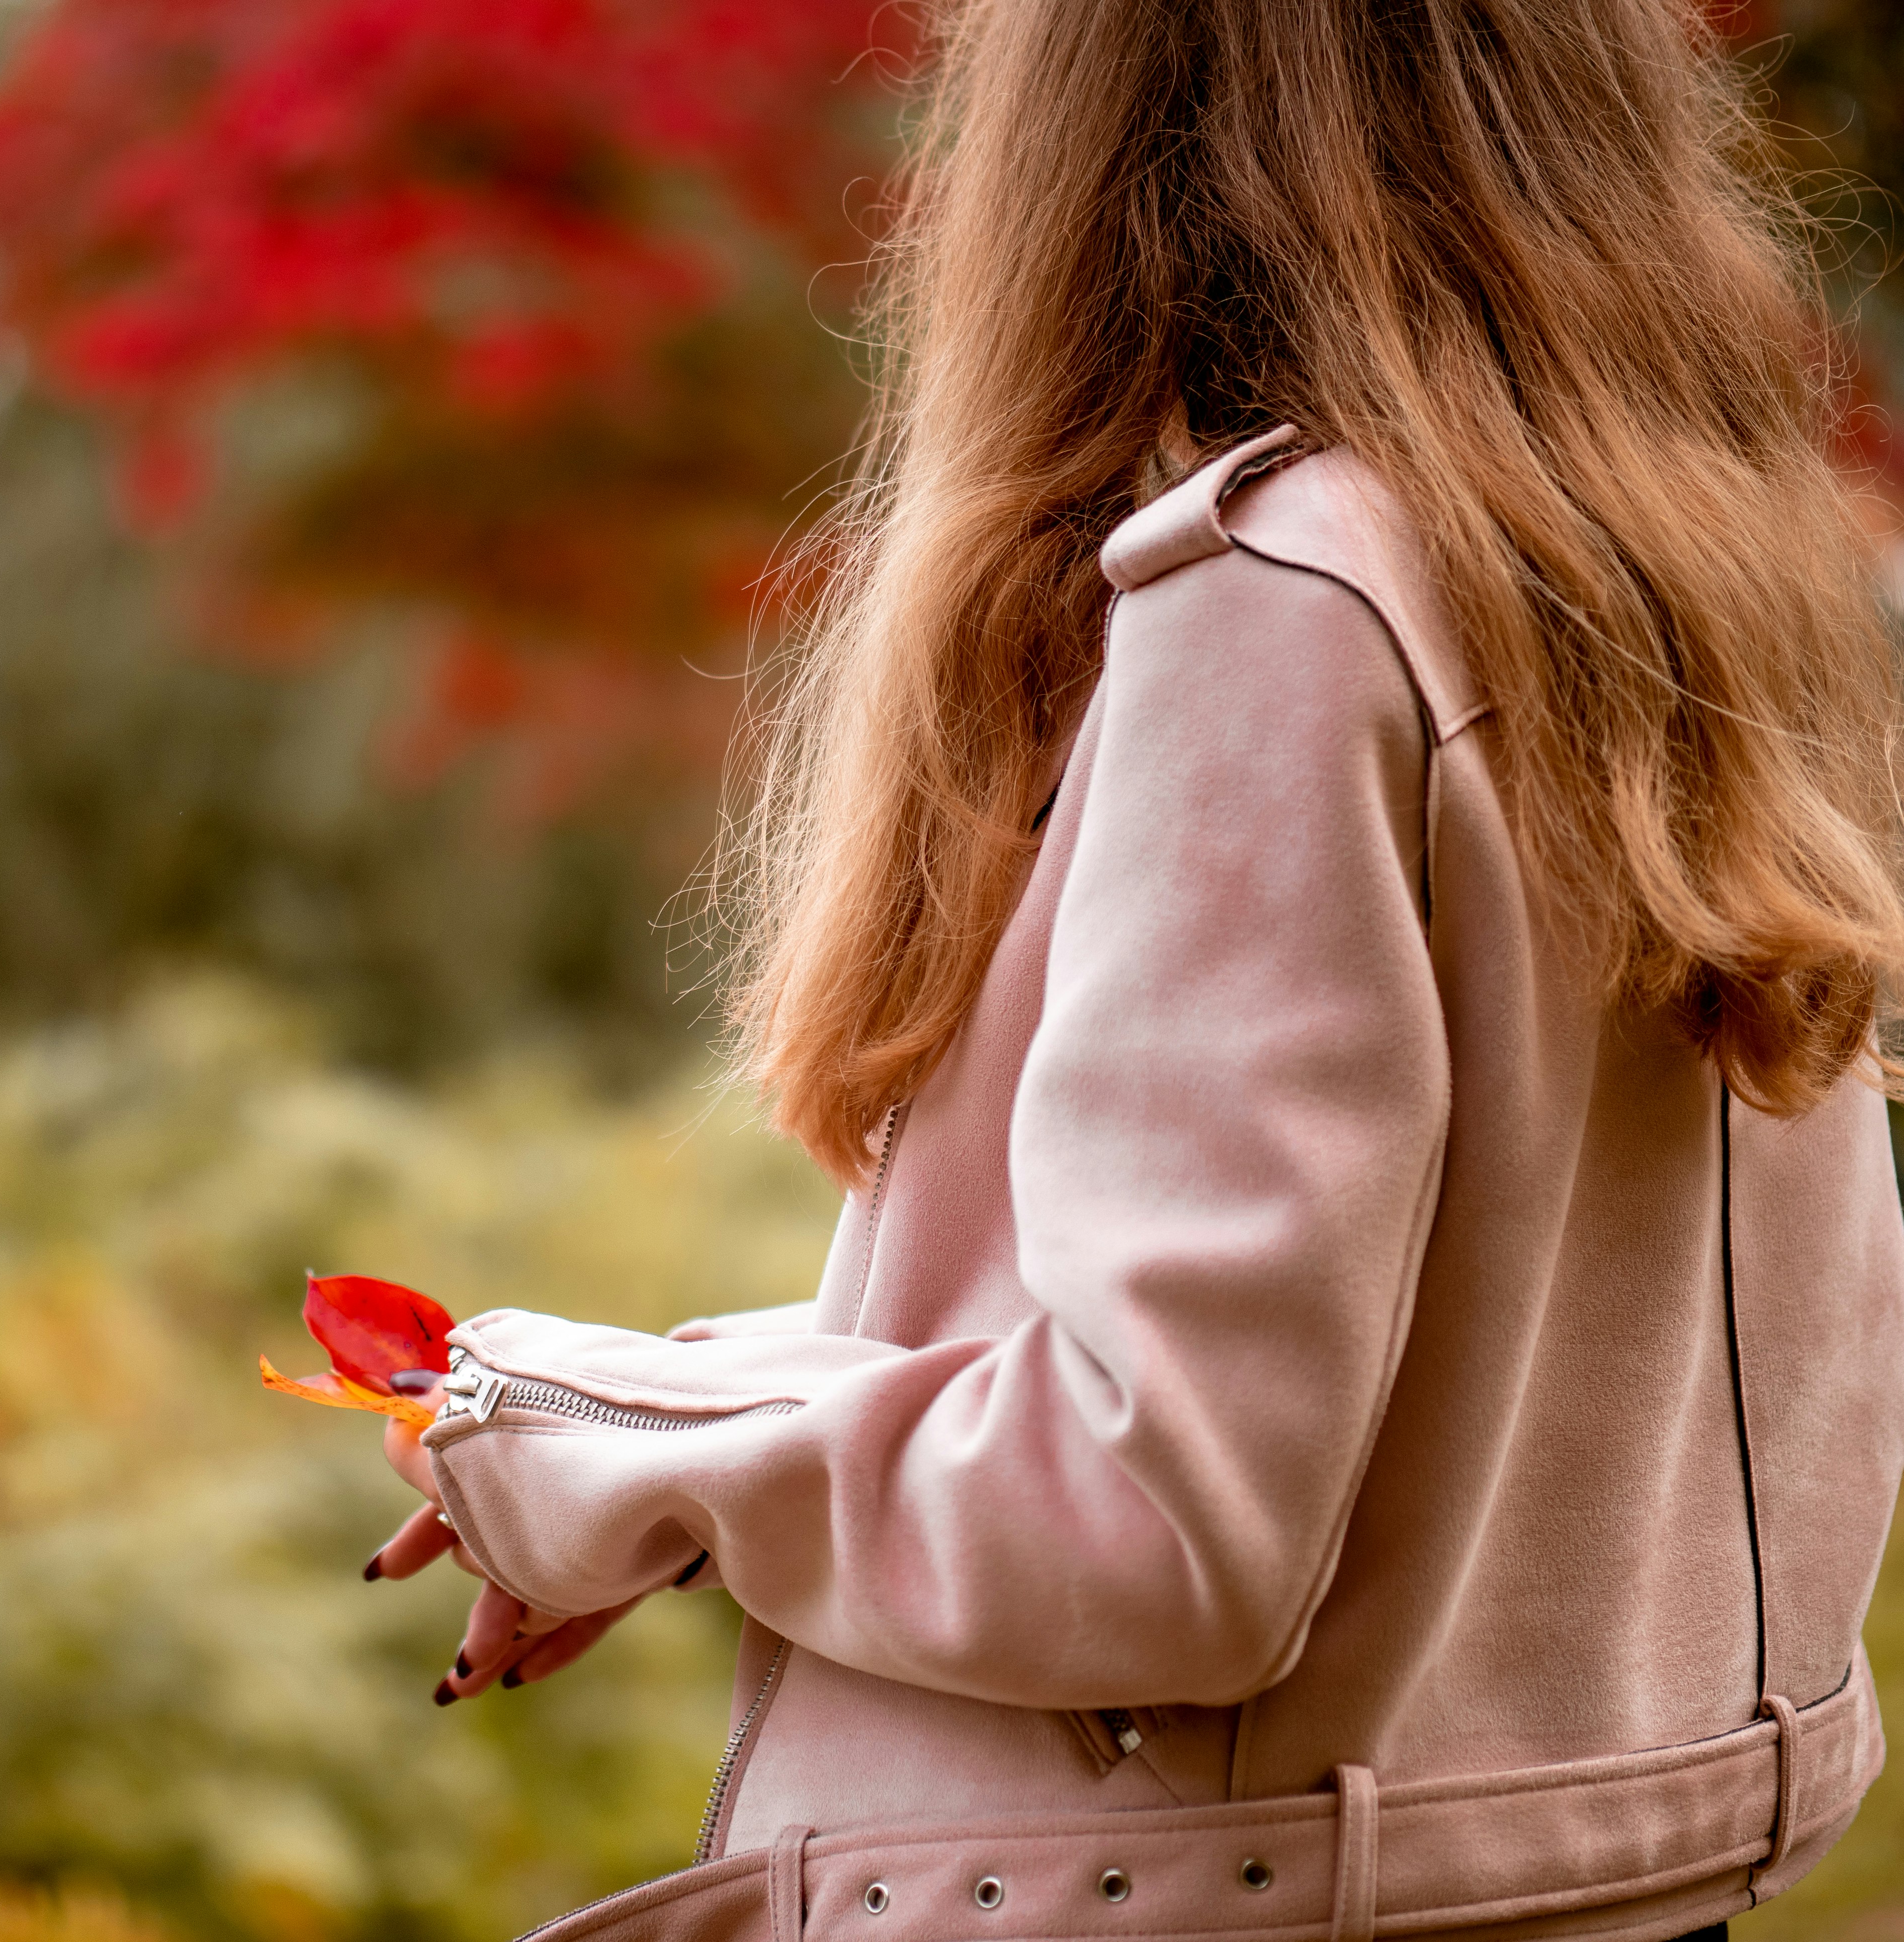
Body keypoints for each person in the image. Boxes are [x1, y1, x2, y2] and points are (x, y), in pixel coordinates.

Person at [364, 0, 1904, 1936]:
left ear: (1081, 131)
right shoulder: (1704, 590)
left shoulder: (1289, 606)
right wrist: (656, 1414)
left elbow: (1162, 1524)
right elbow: (1392, 1382)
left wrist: (615, 1454)